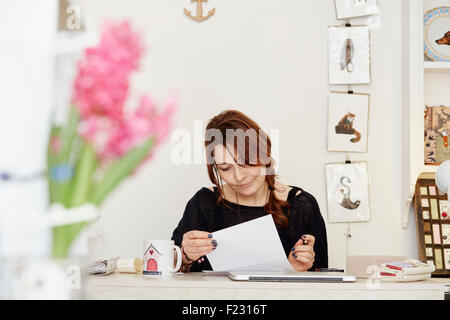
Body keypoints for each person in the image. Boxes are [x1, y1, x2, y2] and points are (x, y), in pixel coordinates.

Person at [171, 110, 328, 272]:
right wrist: (185, 257)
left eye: (246, 162)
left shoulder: (301, 205)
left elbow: (323, 283)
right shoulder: (204, 203)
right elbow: (168, 271)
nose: (238, 177)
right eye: (225, 168)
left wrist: (295, 271)